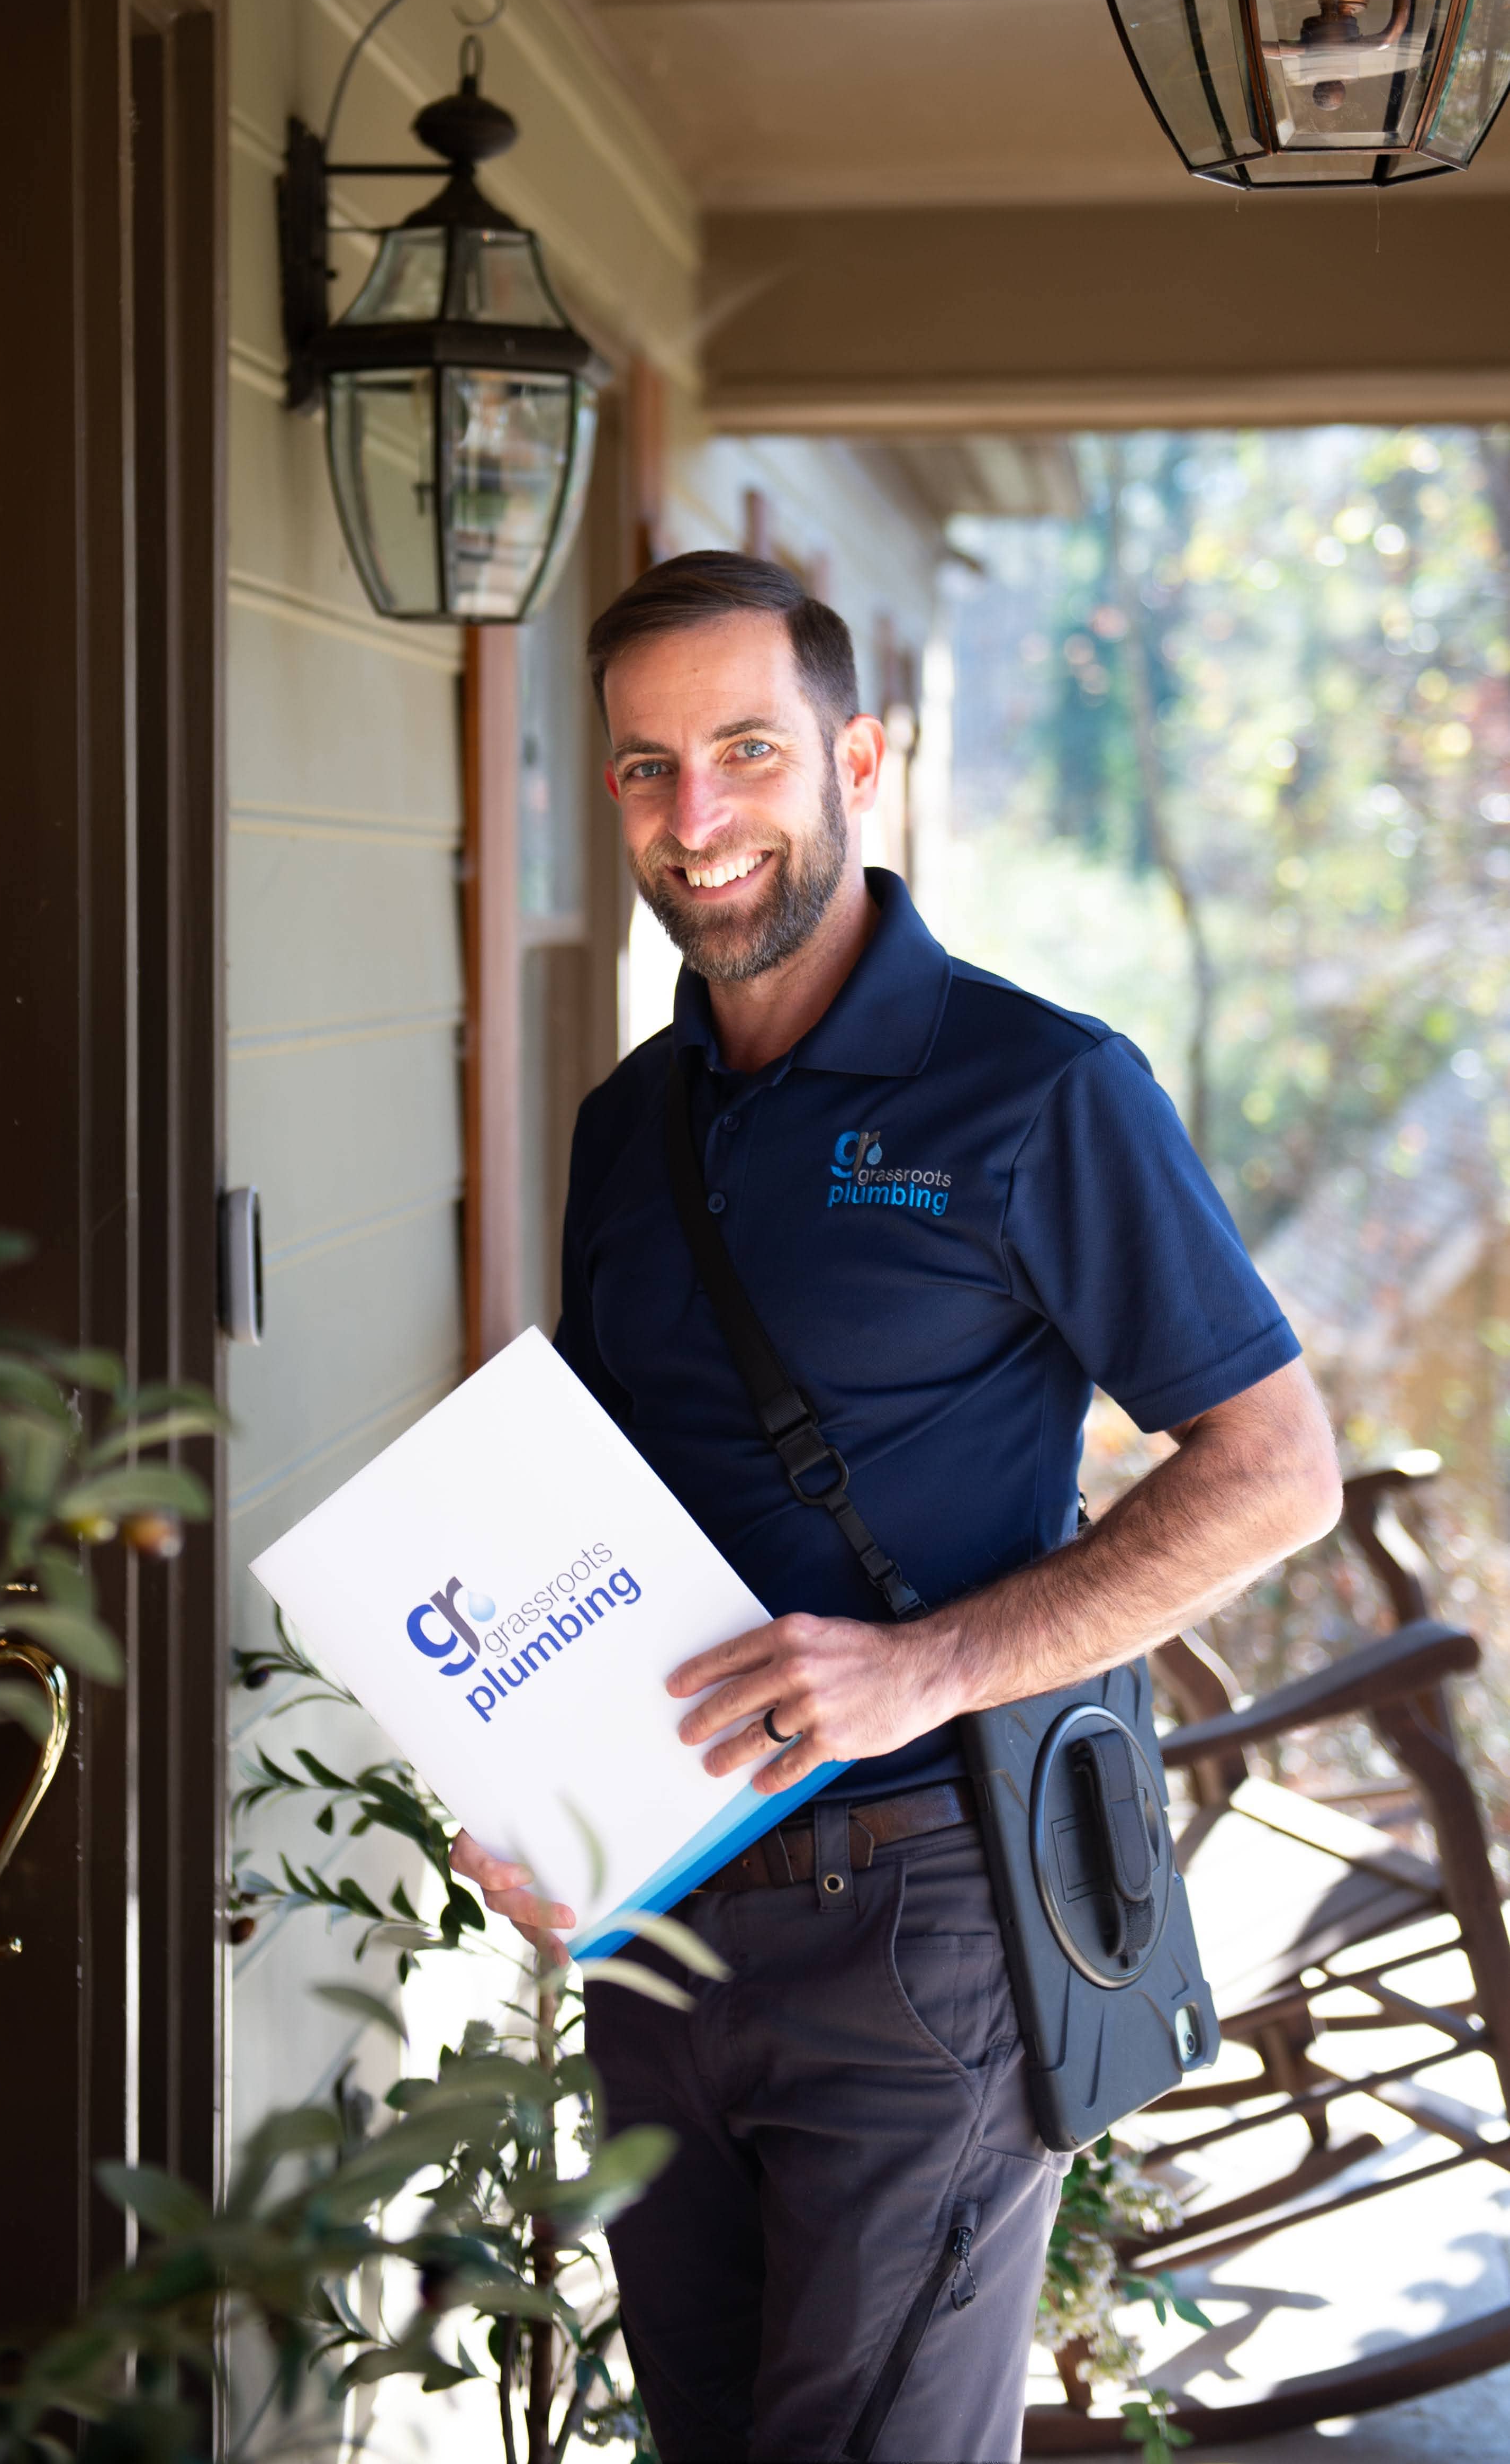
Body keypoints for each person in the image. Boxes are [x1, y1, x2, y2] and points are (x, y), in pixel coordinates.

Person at [452, 551, 1341, 2464]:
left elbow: (1276, 1471)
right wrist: (532, 1798)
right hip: (657, 1934)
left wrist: (923, 1668)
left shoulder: (1036, 1090)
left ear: (858, 756)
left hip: (916, 1923)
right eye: (641, 769)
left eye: (747, 752)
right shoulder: (631, 1125)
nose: (695, 821)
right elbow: (600, 1525)